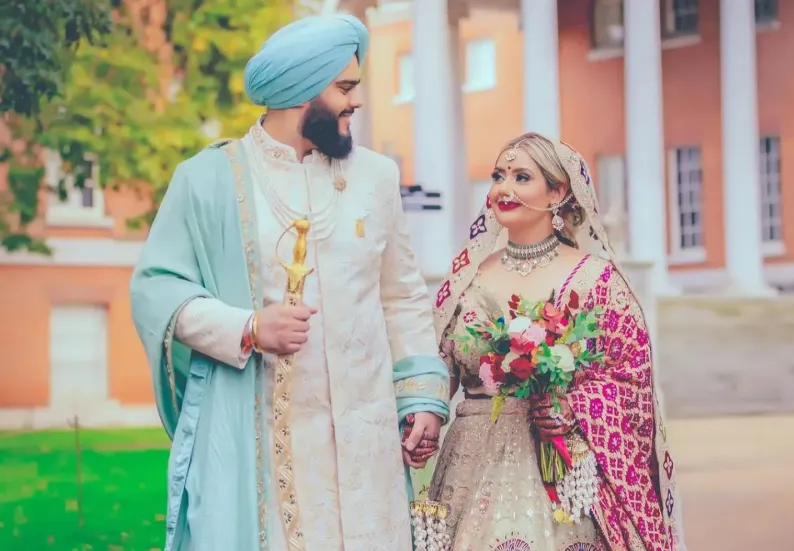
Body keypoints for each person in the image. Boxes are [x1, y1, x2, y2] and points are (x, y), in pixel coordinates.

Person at [130, 13, 449, 551]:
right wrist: (249, 327)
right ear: (302, 91)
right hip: (265, 445)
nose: (357, 101)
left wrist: (421, 395)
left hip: (366, 440)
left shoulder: (377, 176)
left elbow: (403, 295)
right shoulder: (208, 180)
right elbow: (156, 289)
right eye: (344, 87)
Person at [420, 133, 687, 551]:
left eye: (521, 177)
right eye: (498, 175)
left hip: (564, 473)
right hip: (469, 469)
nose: (503, 189)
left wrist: (572, 406)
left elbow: (631, 380)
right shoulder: (466, 277)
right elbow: (440, 362)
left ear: (558, 192)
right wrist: (428, 411)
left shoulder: (595, 281)